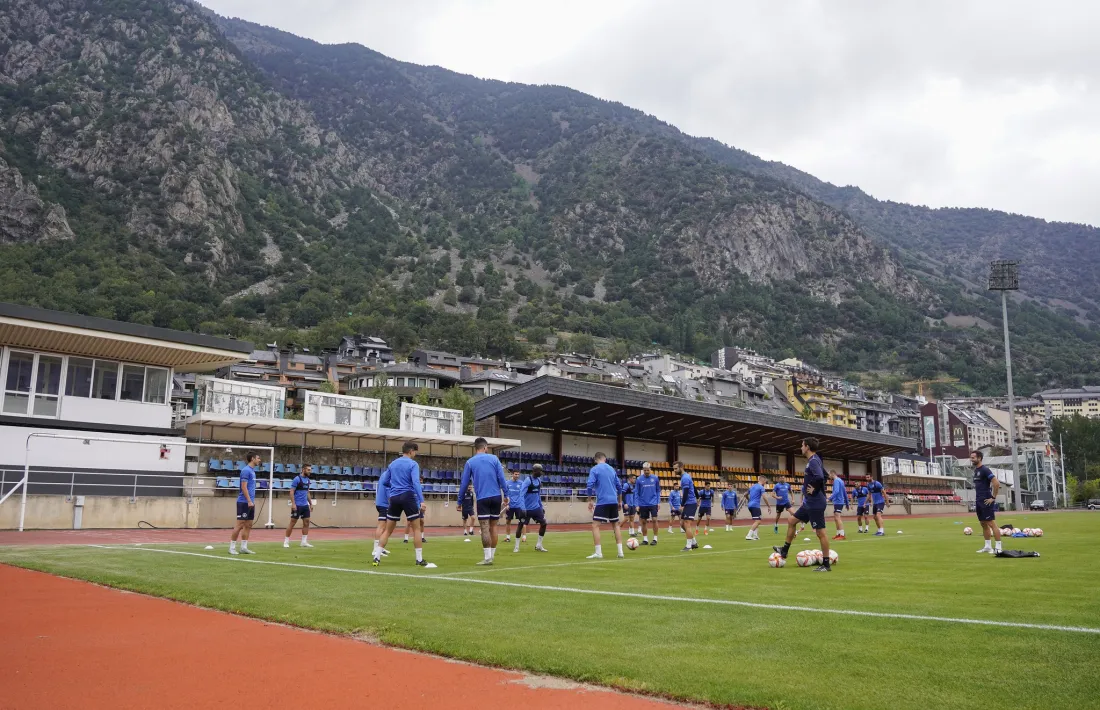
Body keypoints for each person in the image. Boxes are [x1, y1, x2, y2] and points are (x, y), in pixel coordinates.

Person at [773, 438, 832, 571]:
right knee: (791, 520)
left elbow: (820, 477)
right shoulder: (814, 460)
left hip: (815, 502)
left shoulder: (813, 461)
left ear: (807, 447)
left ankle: (826, 565)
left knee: (820, 532)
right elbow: (826, 475)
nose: (801, 447)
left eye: (802, 445)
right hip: (809, 502)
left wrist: (814, 489)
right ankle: (784, 551)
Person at [373, 442, 430, 567]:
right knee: (416, 529)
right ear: (411, 451)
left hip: (394, 498)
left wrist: (395, 486)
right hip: (408, 496)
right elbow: (416, 482)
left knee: (388, 530)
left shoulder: (393, 464)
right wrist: (421, 500)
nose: (415, 454)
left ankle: (376, 557)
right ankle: (419, 559)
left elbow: (385, 482)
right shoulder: (413, 464)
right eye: (415, 452)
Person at [458, 437, 509, 566]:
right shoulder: (494, 459)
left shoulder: (470, 462)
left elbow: (464, 483)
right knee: (494, 526)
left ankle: (487, 558)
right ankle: (492, 556)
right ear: (485, 447)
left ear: (475, 448)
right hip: (496, 496)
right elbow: (501, 478)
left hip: (482, 498)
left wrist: (459, 501)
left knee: (485, 527)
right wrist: (506, 494)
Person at [586, 452, 625, 559]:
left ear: (595, 459)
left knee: (595, 525)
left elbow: (589, 485)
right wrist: (620, 501)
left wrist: (590, 500)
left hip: (603, 501)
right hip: (613, 500)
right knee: (616, 525)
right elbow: (619, 487)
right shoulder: (612, 469)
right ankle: (620, 552)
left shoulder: (595, 469)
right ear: (605, 459)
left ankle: (598, 553)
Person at [971, 451, 1003, 555]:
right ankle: (988, 547)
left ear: (979, 458)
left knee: (991, 523)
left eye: (973, 458)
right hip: (979, 500)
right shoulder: (976, 470)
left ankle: (998, 547)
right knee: (983, 524)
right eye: (971, 457)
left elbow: (996, 483)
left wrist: (993, 497)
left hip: (986, 500)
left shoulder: (985, 470)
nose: (971, 459)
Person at [229, 452, 261, 555]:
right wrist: (249, 501)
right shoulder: (246, 470)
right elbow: (244, 487)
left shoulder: (252, 471)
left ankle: (244, 547)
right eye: (258, 458)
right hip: (244, 502)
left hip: (250, 502)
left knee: (248, 525)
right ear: (252, 459)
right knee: (240, 525)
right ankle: (232, 548)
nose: (259, 460)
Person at [514, 464, 549, 552]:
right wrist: (522, 508)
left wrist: (541, 506)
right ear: (535, 471)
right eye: (540, 471)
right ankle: (516, 547)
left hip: (536, 508)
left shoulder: (539, 481)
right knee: (520, 525)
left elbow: (538, 495)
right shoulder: (528, 480)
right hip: (526, 509)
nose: (541, 473)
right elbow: (521, 495)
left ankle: (539, 545)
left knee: (544, 523)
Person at [284, 463, 314, 548]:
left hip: (305, 505)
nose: (310, 471)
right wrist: (293, 504)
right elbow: (291, 492)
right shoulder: (297, 479)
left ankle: (304, 542)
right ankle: (286, 541)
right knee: (292, 523)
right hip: (297, 505)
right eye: (308, 470)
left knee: (306, 523)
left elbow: (307, 492)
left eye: (310, 470)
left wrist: (310, 503)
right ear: (303, 470)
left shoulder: (308, 480)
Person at [634, 463, 661, 545]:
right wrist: (637, 504)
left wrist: (658, 502)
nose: (646, 471)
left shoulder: (655, 478)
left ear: (650, 469)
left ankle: (655, 539)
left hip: (653, 502)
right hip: (643, 503)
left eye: (648, 470)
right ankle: (645, 540)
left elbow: (658, 490)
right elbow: (636, 492)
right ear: (643, 470)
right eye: (645, 470)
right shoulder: (639, 479)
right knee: (643, 521)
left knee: (654, 519)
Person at [677, 462, 699, 551]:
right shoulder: (686, 476)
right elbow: (693, 487)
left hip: (690, 503)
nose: (674, 470)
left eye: (676, 468)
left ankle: (689, 546)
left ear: (681, 467)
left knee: (686, 524)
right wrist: (698, 497)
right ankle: (694, 542)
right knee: (682, 524)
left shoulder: (685, 478)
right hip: (689, 503)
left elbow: (685, 492)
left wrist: (682, 505)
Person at [503, 467, 528, 543]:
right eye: (516, 474)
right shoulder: (507, 483)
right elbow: (505, 495)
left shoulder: (521, 483)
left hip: (519, 506)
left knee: (522, 521)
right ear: (512, 474)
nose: (517, 476)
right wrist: (506, 504)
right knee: (508, 521)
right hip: (510, 506)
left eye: (518, 474)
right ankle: (508, 537)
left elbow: (524, 494)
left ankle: (524, 537)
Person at [373, 464, 392, 559]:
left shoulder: (384, 474)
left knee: (385, 527)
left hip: (380, 502)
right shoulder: (389, 477)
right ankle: (375, 549)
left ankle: (380, 547)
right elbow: (388, 492)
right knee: (381, 526)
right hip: (384, 504)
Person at [745, 475, 771, 540]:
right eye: (765, 481)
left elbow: (745, 494)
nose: (765, 483)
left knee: (758, 519)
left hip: (750, 505)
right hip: (755, 505)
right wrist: (768, 506)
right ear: (763, 480)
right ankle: (748, 535)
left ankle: (755, 535)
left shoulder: (752, 486)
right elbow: (764, 497)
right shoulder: (761, 487)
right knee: (758, 521)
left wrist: (749, 500)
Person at [829, 470, 849, 540]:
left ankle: (842, 535)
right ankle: (838, 534)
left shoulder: (836, 481)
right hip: (839, 502)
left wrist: (830, 498)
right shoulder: (841, 481)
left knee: (837, 517)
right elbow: (844, 492)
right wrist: (847, 503)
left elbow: (836, 491)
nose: (829, 476)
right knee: (836, 518)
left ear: (832, 474)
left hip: (838, 501)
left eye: (829, 474)